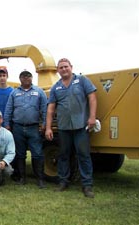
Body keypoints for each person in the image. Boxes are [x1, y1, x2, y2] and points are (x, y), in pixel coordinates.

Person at [45, 58, 97, 198]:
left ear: (71, 67)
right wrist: (48, 128)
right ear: (57, 70)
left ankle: (87, 186)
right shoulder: (56, 87)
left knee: (83, 155)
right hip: (64, 128)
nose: (64, 69)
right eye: (61, 67)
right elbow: (50, 109)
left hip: (81, 126)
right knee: (63, 155)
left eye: (66, 67)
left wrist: (92, 117)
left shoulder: (82, 81)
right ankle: (63, 182)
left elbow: (92, 98)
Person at [4, 70, 47, 188]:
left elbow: (44, 109)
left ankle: (40, 179)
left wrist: (45, 123)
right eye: (23, 76)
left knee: (37, 153)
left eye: (28, 76)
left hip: (33, 128)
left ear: (32, 78)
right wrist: (7, 124)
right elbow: (8, 109)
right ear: (20, 79)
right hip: (17, 127)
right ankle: (22, 178)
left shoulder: (39, 92)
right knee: (20, 154)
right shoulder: (14, 93)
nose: (26, 78)